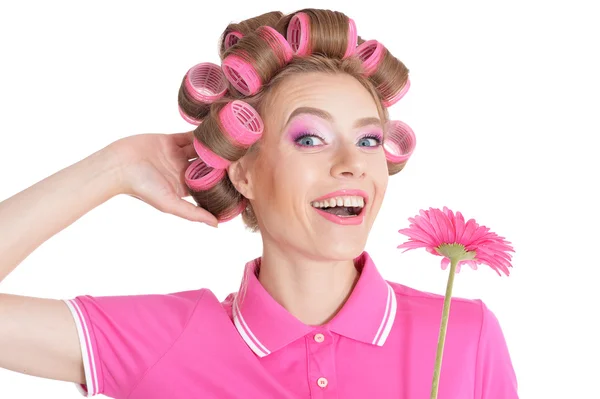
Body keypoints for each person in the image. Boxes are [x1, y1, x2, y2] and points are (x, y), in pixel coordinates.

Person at [0, 8, 518, 399]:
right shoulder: (169, 339)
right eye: (311, 139)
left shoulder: (464, 335)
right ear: (244, 171)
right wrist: (113, 168)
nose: (352, 164)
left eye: (368, 141)